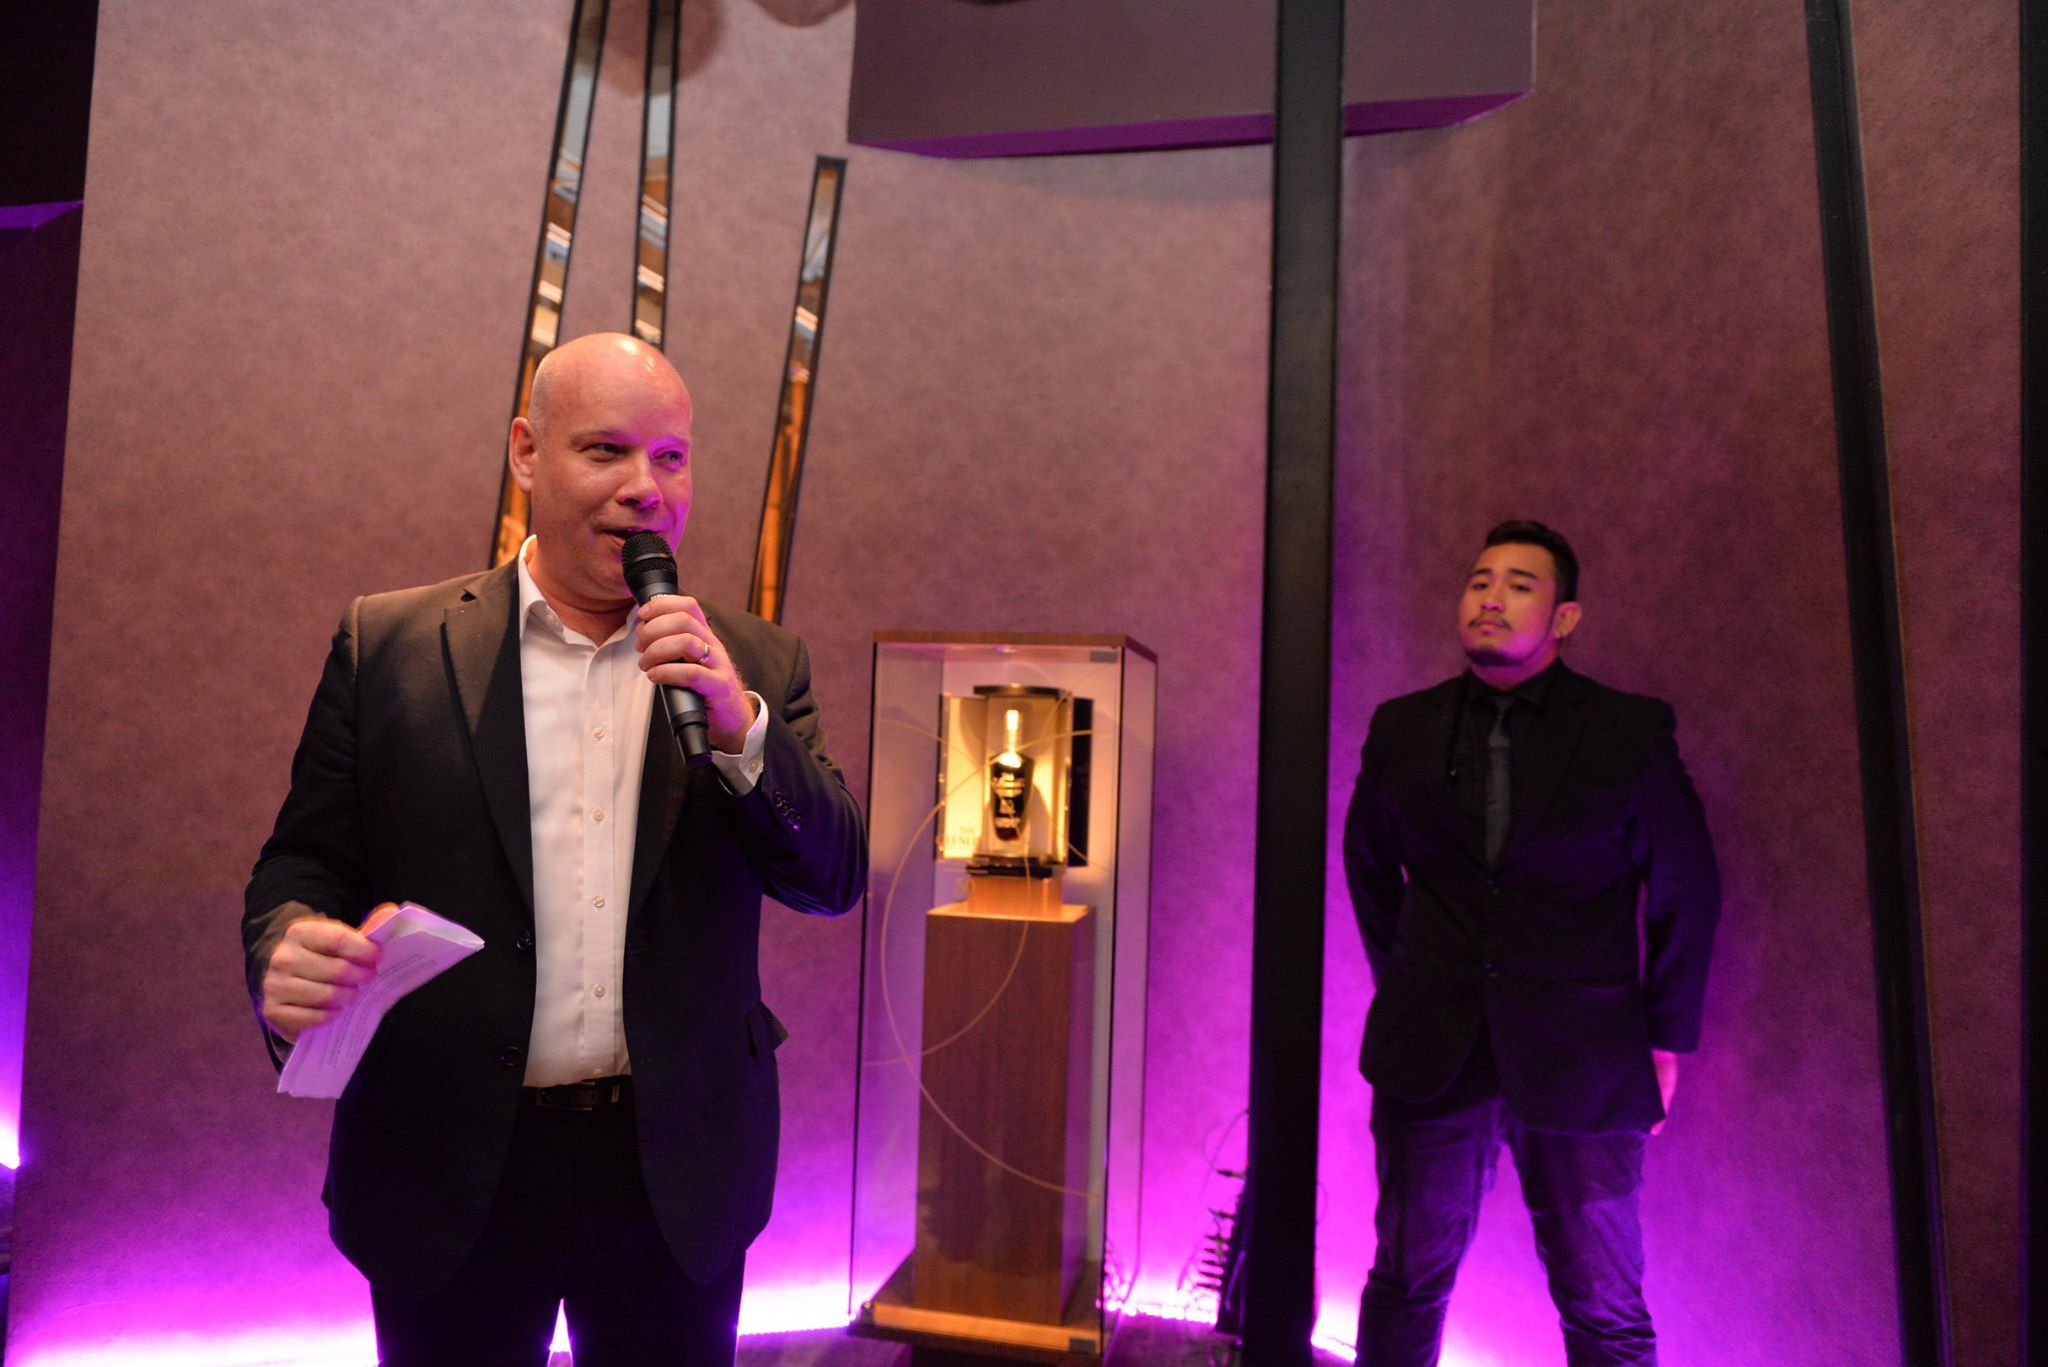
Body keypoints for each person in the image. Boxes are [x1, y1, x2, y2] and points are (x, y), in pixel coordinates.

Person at [242, 332, 866, 1366]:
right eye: (606, 450)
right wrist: (285, 942)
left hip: (674, 1173)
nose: (645, 487)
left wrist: (742, 730)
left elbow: (832, 876)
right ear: (527, 452)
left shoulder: (752, 661)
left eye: (671, 457)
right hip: (450, 1162)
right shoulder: (390, 647)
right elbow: (300, 864)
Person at [1343, 520, 1719, 1367]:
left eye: (1518, 584)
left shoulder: (1628, 731)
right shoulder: (1402, 726)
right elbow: (1367, 862)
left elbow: (1687, 888)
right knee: (1404, 1279)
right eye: (1479, 581)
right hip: (1430, 1051)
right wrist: (1405, 979)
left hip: (1583, 1052)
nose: (1490, 597)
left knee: (1605, 1302)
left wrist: (1666, 1036)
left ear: (1565, 617)